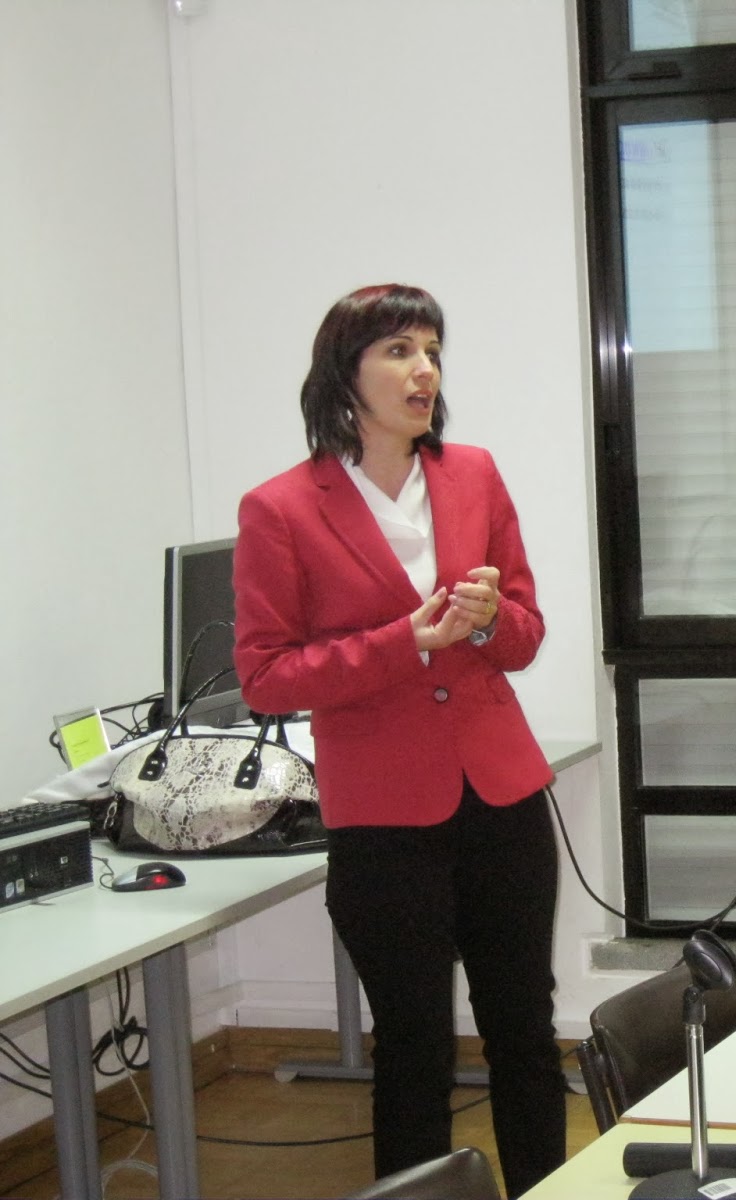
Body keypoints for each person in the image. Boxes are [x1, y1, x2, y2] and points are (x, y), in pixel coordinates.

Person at [232, 284, 566, 1193]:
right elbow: (265, 675)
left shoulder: (475, 474)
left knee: (525, 1032)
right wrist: (401, 644)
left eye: (433, 352)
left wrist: (492, 618)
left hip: (499, 792)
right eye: (400, 350)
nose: (425, 370)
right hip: (382, 814)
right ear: (345, 373)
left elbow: (526, 635)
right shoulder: (279, 508)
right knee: (414, 1048)